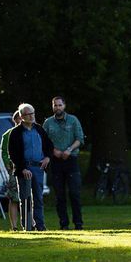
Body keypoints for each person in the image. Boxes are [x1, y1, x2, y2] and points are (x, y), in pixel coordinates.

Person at [8, 103, 53, 231]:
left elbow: (49, 145)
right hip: (24, 169)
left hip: (38, 168)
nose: (32, 116)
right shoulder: (16, 133)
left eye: (33, 113)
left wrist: (47, 157)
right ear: (22, 116)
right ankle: (27, 226)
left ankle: (40, 225)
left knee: (38, 197)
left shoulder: (39, 129)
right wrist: (22, 168)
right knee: (25, 198)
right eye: (29, 114)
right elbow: (13, 153)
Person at [43, 96, 85, 230]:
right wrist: (53, 150)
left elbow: (80, 139)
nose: (57, 108)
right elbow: (44, 141)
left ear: (64, 106)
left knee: (75, 193)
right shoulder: (48, 123)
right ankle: (64, 224)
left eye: (60, 105)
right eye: (55, 105)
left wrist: (69, 150)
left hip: (71, 160)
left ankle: (78, 223)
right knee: (59, 196)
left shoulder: (73, 120)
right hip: (55, 162)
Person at [0, 110, 22, 231]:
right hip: (14, 170)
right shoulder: (7, 135)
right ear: (16, 120)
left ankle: (30, 222)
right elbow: (4, 152)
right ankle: (14, 226)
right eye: (20, 118)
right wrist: (9, 165)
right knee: (13, 198)